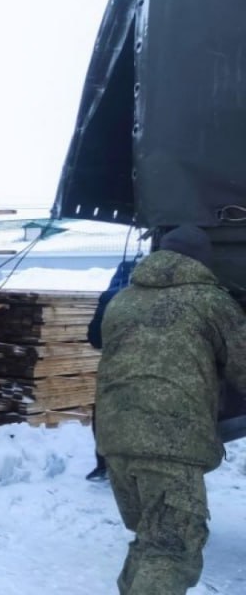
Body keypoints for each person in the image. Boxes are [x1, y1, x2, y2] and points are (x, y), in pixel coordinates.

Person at [96, 225, 246, 593]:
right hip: (169, 440)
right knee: (172, 549)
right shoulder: (210, 301)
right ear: (202, 260)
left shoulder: (123, 300)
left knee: (151, 539)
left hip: (114, 437)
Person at [86, 258, 139, 482]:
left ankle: (104, 465)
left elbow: (95, 339)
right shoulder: (161, 300)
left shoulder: (110, 298)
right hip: (151, 372)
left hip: (114, 370)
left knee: (106, 417)